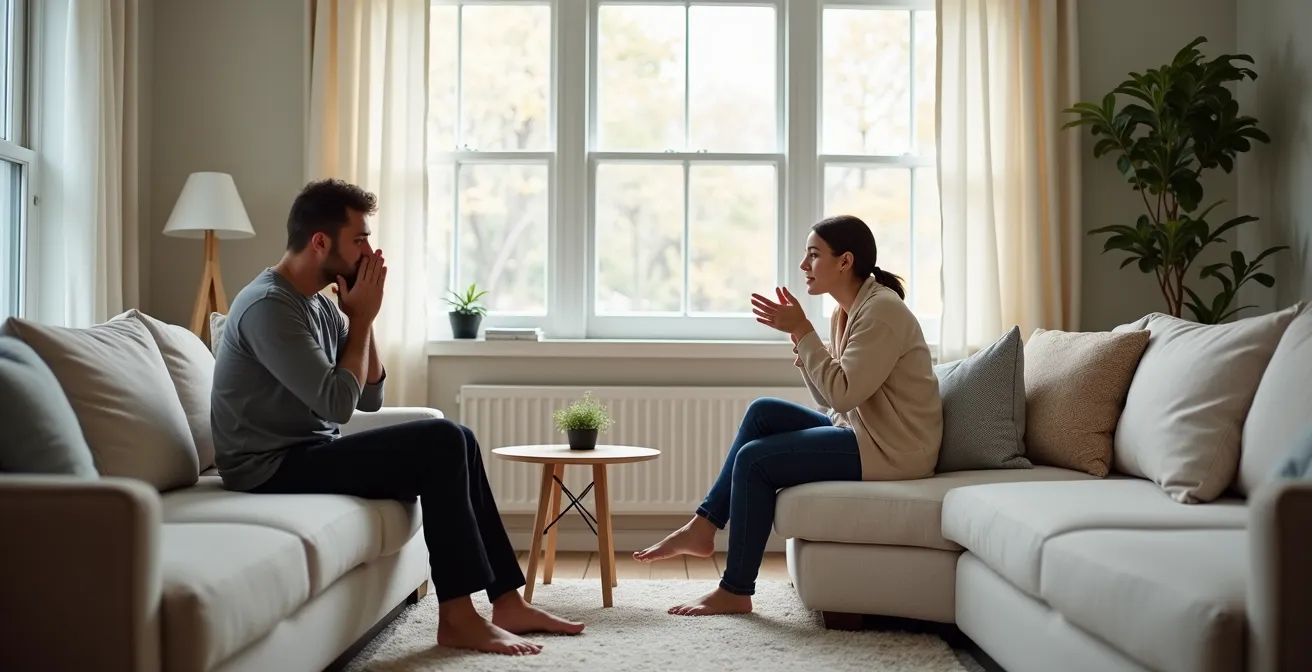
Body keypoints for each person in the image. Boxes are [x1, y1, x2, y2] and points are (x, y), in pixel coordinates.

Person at [210, 178, 584, 655]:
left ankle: (507, 600)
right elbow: (337, 404)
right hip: (265, 468)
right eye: (360, 239)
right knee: (443, 440)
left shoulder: (320, 304)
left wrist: (356, 316)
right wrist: (361, 319)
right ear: (320, 242)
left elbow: (369, 396)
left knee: (460, 439)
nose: (370, 251)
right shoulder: (269, 307)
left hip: (309, 451)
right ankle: (458, 618)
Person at [633, 214, 943, 616]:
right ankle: (703, 526)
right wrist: (802, 337)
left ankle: (736, 589)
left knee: (755, 460)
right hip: (862, 431)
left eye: (813, 256)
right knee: (763, 411)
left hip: (894, 449)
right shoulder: (846, 311)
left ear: (845, 261)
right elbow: (830, 399)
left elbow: (843, 394)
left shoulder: (881, 312)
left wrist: (803, 332)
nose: (804, 266)